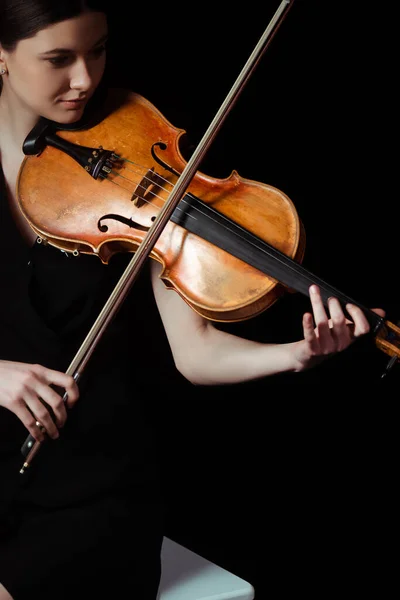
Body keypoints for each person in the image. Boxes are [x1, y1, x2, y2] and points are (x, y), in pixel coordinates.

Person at [0, 1, 385, 599]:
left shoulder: (133, 139)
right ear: (0, 54)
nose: (85, 79)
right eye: (58, 59)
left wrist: (296, 356)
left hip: (90, 484)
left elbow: (194, 351)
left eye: (97, 51)